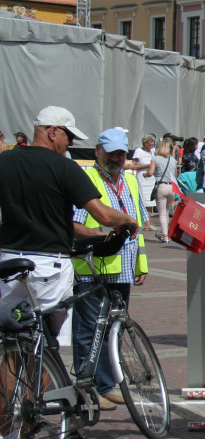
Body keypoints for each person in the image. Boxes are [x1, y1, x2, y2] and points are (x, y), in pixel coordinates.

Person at [0, 107, 137, 340]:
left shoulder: (5, 160)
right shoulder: (64, 166)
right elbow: (102, 214)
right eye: (69, 137)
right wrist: (127, 220)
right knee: (46, 344)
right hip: (48, 265)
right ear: (53, 132)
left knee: (12, 338)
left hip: (8, 261)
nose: (70, 144)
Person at [71, 128, 149, 409]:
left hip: (122, 269)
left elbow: (138, 225)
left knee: (112, 329)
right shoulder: (86, 178)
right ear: (97, 151)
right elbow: (75, 226)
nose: (116, 158)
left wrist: (142, 264)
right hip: (92, 267)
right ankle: (88, 387)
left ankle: (105, 384)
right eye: (111, 152)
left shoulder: (128, 181)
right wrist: (103, 235)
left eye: (121, 153)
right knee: (89, 329)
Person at [151, 135, 179, 243]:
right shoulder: (173, 160)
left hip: (161, 185)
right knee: (166, 211)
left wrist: (145, 175)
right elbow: (175, 175)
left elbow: (151, 172)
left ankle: (164, 235)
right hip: (171, 186)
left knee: (162, 212)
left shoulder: (155, 159)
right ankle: (164, 233)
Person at [129, 134, 157, 230]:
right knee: (143, 200)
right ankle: (145, 222)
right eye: (151, 142)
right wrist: (148, 165)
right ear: (145, 143)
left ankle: (147, 223)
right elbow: (134, 166)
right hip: (142, 177)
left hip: (151, 177)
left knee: (150, 200)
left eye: (153, 142)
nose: (153, 144)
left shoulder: (153, 152)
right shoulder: (138, 151)